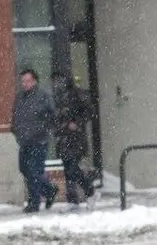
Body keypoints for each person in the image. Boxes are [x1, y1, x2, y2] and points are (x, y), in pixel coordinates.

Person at [11, 68, 58, 213]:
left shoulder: (42, 96)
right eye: (23, 81)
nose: (25, 84)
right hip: (24, 141)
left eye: (28, 81)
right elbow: (16, 115)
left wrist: (43, 129)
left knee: (34, 171)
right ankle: (49, 190)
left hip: (39, 140)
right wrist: (15, 129)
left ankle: (34, 202)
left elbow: (52, 116)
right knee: (24, 169)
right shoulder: (20, 97)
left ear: (35, 81)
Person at [52, 73, 98, 210]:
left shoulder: (77, 94)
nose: (57, 84)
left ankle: (90, 191)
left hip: (75, 138)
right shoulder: (58, 97)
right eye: (55, 81)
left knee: (72, 168)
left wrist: (77, 122)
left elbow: (90, 111)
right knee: (68, 170)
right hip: (63, 137)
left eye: (60, 80)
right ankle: (72, 199)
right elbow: (56, 116)